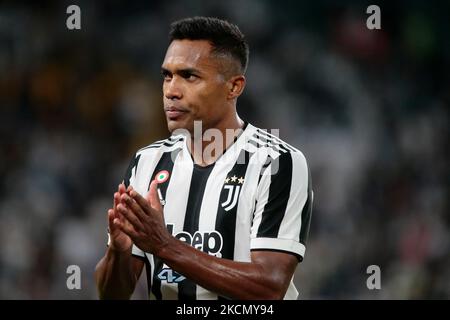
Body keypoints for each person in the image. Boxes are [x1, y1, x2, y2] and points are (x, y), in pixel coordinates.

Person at [95, 16, 313, 300]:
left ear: (234, 87)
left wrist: (164, 246)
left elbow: (270, 287)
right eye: (167, 75)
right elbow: (112, 295)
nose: (172, 91)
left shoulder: (276, 162)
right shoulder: (147, 162)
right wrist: (120, 252)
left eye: (189, 76)